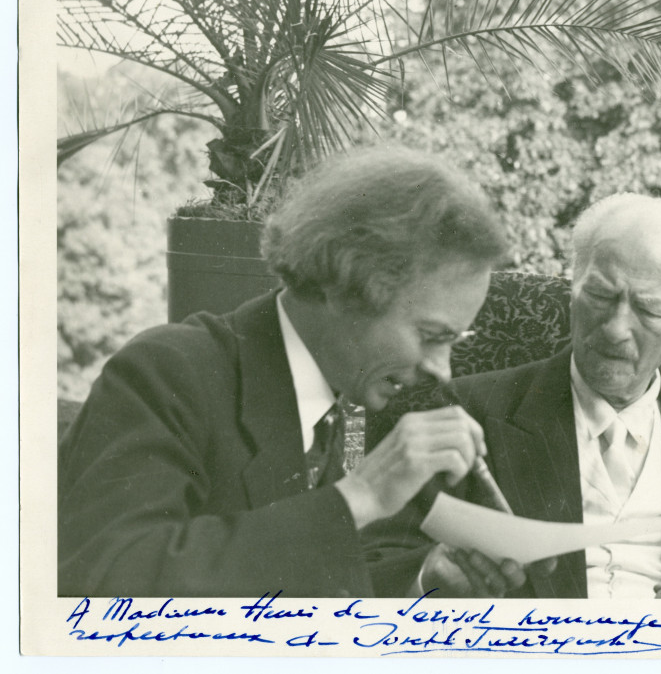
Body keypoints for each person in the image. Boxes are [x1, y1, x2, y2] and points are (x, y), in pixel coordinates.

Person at [57, 147, 515, 597]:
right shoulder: (168, 372)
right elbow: (104, 577)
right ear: (345, 286)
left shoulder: (352, 403)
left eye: (455, 341)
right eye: (432, 335)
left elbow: (306, 581)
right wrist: (357, 497)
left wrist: (422, 581)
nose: (443, 371)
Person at [366, 193, 661, 599]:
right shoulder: (464, 412)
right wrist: (428, 574)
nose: (617, 329)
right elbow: (362, 566)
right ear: (572, 280)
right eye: (599, 295)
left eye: (649, 309)